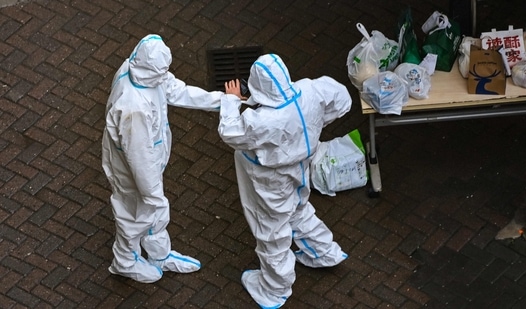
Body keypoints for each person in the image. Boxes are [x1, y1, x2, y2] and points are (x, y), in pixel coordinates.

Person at [218, 54, 351, 308]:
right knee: (299, 209)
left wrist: (231, 101)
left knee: (271, 229)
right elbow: (342, 100)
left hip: (271, 180)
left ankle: (275, 288)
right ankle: (324, 252)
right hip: (301, 167)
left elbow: (230, 132)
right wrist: (319, 122)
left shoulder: (262, 120)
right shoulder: (309, 89)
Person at [101, 34, 223, 283]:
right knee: (134, 215)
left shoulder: (138, 69)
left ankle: (158, 255)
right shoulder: (132, 108)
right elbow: (140, 160)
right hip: (134, 172)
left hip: (146, 164)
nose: (166, 75)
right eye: (162, 71)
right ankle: (124, 261)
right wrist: (154, 195)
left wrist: (221, 101)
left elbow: (176, 90)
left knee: (149, 212)